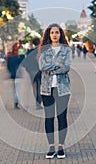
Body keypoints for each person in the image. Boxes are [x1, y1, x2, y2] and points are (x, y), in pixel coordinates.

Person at [37, 23, 71, 159]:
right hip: (47, 89)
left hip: (63, 89)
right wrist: (58, 65)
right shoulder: (44, 50)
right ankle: (51, 146)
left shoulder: (66, 50)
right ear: (48, 35)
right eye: (52, 33)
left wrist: (50, 67)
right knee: (49, 118)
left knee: (62, 117)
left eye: (57, 32)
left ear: (60, 34)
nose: (55, 35)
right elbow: (41, 66)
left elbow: (67, 67)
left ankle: (61, 146)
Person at [22, 37, 43, 109]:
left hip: (32, 71)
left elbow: (25, 61)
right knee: (39, 87)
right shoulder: (40, 51)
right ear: (39, 43)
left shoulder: (29, 51)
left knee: (35, 87)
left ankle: (37, 103)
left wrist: (28, 70)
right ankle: (38, 103)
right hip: (39, 71)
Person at [7, 41, 22, 109]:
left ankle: (16, 102)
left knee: (15, 89)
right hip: (19, 74)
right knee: (17, 89)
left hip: (13, 74)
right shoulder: (19, 56)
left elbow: (8, 66)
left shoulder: (10, 55)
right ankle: (16, 102)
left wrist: (10, 71)